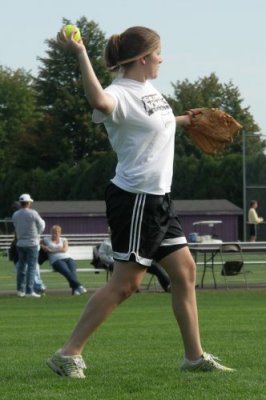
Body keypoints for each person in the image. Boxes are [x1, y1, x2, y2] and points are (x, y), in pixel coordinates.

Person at [47, 25, 234, 378]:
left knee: (185, 271)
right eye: (158, 53)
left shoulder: (149, 90)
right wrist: (81, 54)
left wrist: (185, 119)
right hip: (135, 200)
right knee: (126, 284)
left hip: (159, 198)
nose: (162, 58)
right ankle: (67, 353)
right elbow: (99, 101)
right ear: (144, 59)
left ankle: (194, 357)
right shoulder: (119, 93)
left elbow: (155, 123)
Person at [97, 235, 170, 292]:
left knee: (155, 267)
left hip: (133, 262)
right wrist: (114, 261)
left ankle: (168, 286)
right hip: (114, 263)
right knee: (124, 268)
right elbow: (102, 256)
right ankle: (132, 289)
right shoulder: (105, 243)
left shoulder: (126, 242)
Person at [12, 193, 45, 298]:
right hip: (32, 243)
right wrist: (38, 234)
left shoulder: (15, 214)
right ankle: (29, 291)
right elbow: (41, 224)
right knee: (31, 267)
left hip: (20, 243)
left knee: (21, 266)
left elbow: (15, 227)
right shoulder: (33, 213)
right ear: (29, 203)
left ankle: (20, 290)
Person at [40, 225, 87, 295]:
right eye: (54, 232)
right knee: (67, 272)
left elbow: (64, 249)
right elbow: (39, 243)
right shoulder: (46, 239)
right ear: (51, 233)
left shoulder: (64, 239)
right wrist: (44, 247)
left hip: (68, 258)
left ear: (60, 233)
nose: (56, 234)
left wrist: (52, 250)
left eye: (57, 233)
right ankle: (79, 286)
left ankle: (75, 290)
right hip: (56, 260)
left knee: (72, 273)